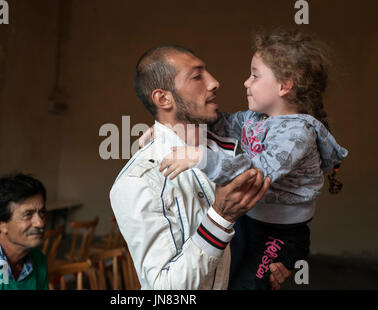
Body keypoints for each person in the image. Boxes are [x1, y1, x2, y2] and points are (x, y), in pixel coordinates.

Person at [158, 29, 349, 290]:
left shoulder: (296, 134)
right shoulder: (255, 120)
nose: (246, 82)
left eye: (255, 75)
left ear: (284, 85)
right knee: (223, 277)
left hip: (280, 235)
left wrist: (201, 157)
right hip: (250, 222)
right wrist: (168, 126)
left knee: (246, 286)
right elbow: (219, 123)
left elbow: (255, 173)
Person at [110, 45, 291, 290]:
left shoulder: (236, 149)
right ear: (163, 99)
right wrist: (220, 217)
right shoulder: (139, 182)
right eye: (197, 76)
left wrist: (270, 260)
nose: (215, 82)